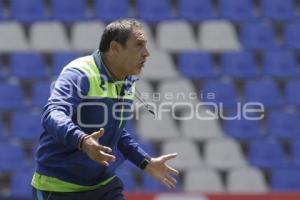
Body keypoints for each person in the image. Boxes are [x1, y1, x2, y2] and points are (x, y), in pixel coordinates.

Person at [31, 18, 179, 200]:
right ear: (115, 47)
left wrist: (145, 162)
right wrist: (83, 140)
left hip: (104, 185)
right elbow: (52, 113)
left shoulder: (126, 81)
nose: (146, 53)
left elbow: (115, 132)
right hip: (58, 188)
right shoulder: (79, 72)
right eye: (139, 45)